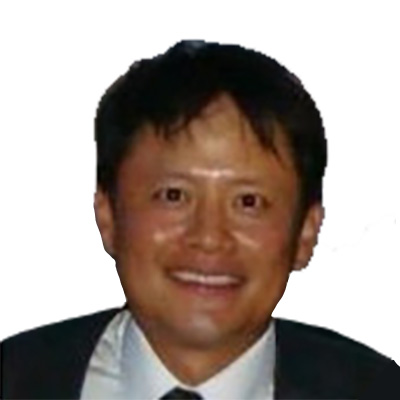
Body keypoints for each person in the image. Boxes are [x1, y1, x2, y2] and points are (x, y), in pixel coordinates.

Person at [1, 40, 398, 400]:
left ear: (306, 233)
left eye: (248, 202)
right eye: (173, 196)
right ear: (108, 217)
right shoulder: (15, 377)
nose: (209, 237)